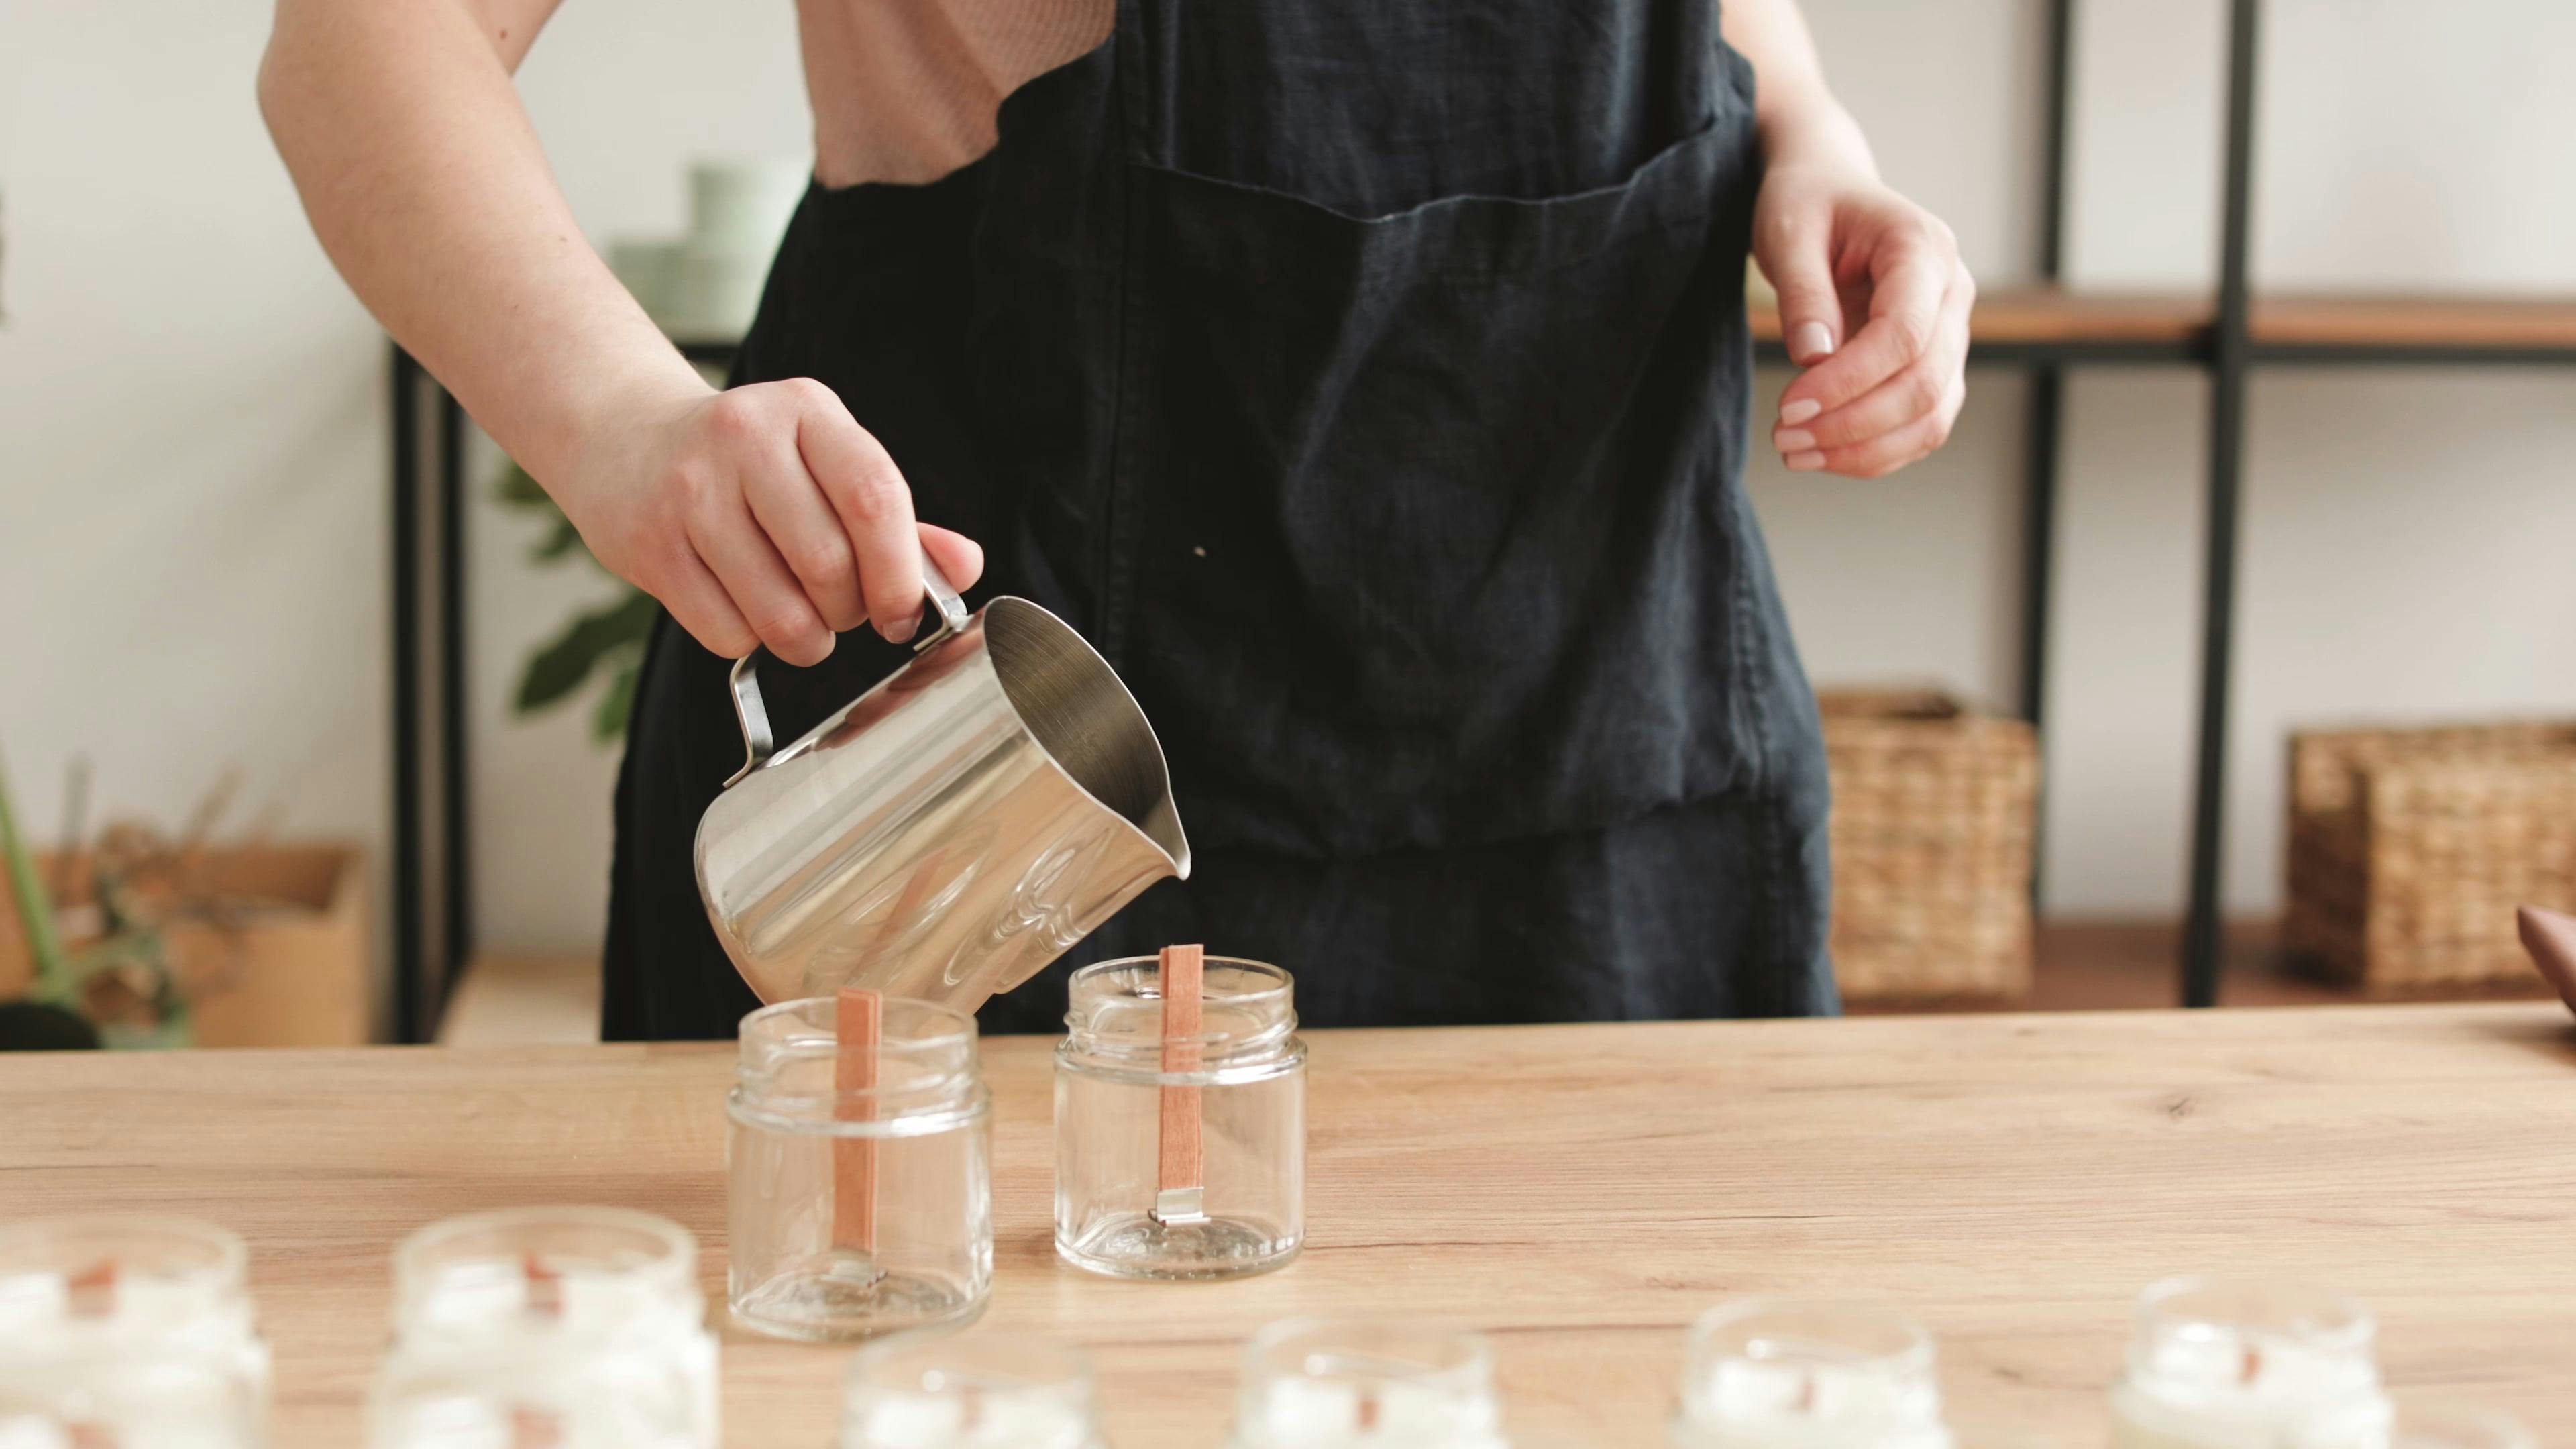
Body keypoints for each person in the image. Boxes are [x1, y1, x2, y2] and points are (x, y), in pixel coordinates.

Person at [262, 0, 1972, 1039]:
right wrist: (623, 425)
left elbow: (1735, 35)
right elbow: (361, 46)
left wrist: (1812, 140)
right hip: (990, 771)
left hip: (1605, 752)